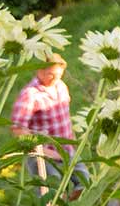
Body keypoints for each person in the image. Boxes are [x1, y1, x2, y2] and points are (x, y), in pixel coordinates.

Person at [12, 55, 75, 183]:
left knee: (83, 182)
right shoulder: (30, 94)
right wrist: (40, 149)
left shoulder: (61, 87)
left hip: (67, 152)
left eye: (59, 75)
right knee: (51, 187)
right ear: (40, 71)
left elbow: (65, 117)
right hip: (43, 155)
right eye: (51, 75)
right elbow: (17, 129)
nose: (56, 79)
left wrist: (72, 138)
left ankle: (69, 201)